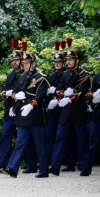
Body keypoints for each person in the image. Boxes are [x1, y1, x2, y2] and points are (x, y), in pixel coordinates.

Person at [49, 38, 92, 176]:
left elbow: (83, 91)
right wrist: (61, 94)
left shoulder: (84, 74)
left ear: (77, 61)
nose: (67, 62)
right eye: (67, 59)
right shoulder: (65, 74)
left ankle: (86, 166)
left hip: (78, 111)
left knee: (81, 140)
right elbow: (58, 89)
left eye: (71, 59)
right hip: (65, 112)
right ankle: (55, 166)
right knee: (59, 137)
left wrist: (71, 95)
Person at [6, 51, 49, 178]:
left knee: (39, 143)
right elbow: (15, 92)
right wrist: (14, 103)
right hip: (22, 113)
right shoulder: (22, 77)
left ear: (33, 63)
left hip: (34, 113)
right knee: (20, 141)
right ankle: (13, 167)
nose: (25, 65)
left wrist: (32, 104)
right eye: (24, 63)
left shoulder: (41, 78)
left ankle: (43, 169)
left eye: (27, 63)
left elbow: (41, 95)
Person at [0, 40, 24, 172]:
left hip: (22, 108)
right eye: (13, 60)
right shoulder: (11, 74)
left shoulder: (26, 74)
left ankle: (31, 163)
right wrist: (6, 93)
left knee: (23, 137)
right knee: (6, 134)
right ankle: (0, 163)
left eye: (17, 60)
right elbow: (5, 90)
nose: (14, 62)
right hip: (10, 108)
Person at [43, 41, 66, 171]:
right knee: (49, 135)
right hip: (52, 110)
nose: (57, 63)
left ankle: (67, 162)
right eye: (55, 62)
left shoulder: (65, 74)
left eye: (59, 62)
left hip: (62, 108)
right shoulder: (51, 75)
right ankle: (47, 162)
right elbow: (46, 91)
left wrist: (56, 93)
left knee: (62, 136)